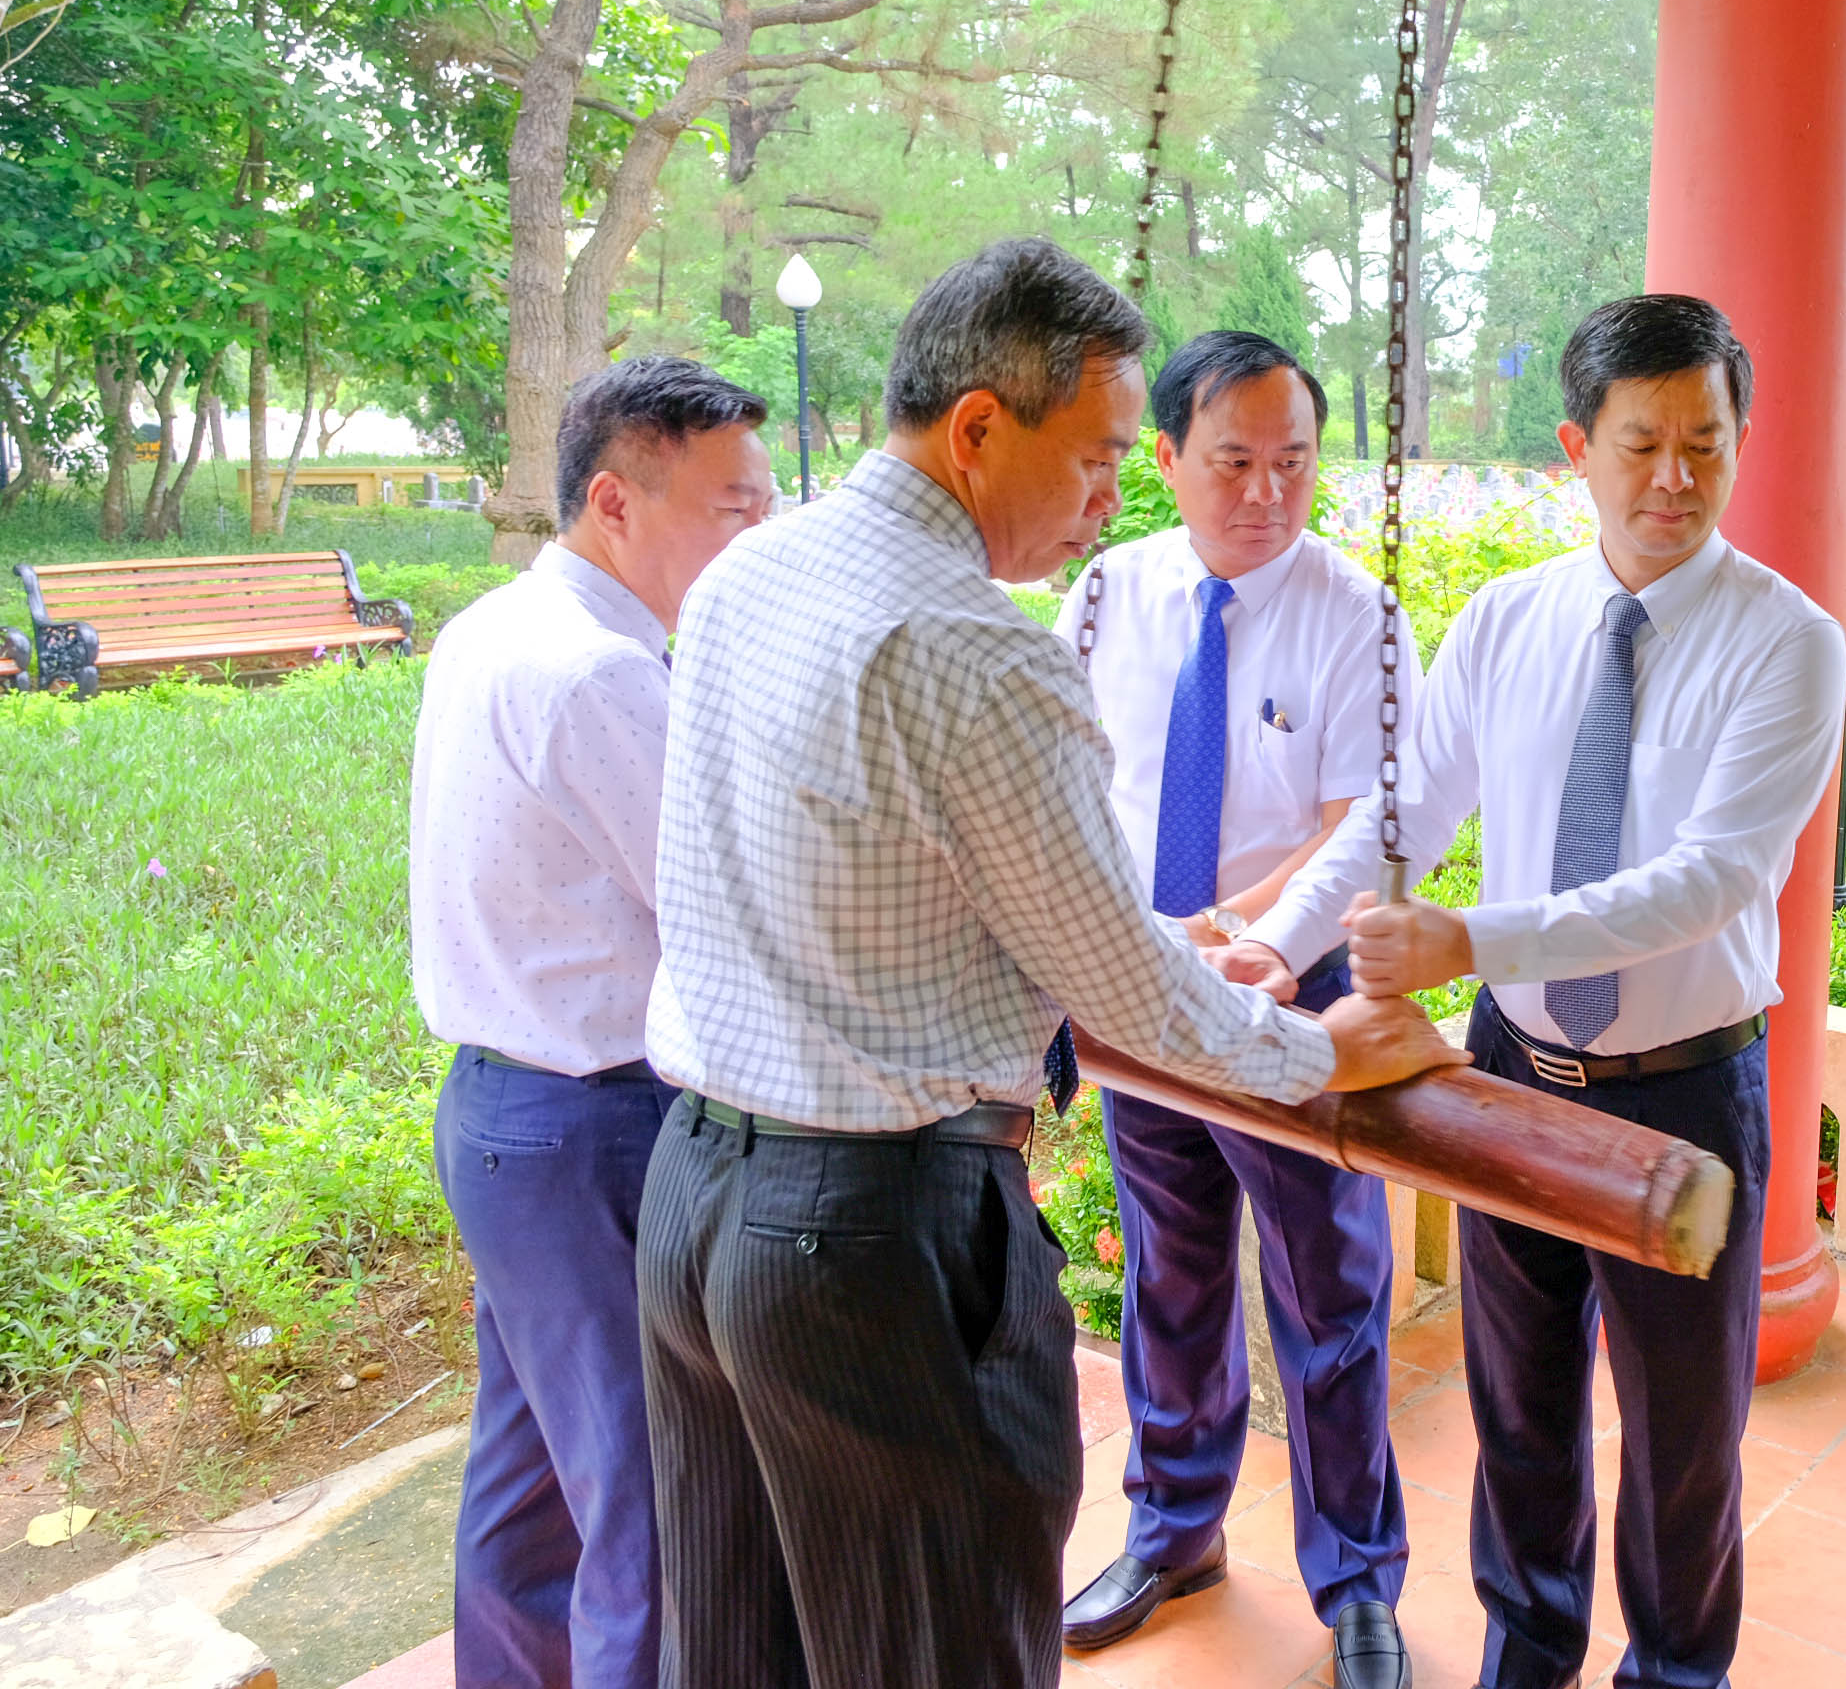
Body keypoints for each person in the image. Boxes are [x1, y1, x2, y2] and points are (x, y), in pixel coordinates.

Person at [633, 237, 1463, 1689]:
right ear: (974, 431)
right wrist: (1328, 1052)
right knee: (937, 1642)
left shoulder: (748, 574)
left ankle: (1351, 1576)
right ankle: (1176, 1522)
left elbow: (943, 874)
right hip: (867, 1233)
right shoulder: (979, 644)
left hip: (698, 1194)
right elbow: (1122, 989)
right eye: (1093, 456)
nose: (1107, 494)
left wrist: (1223, 949)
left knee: (742, 1639)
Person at [1215, 294, 1846, 1689]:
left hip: (1684, 1088)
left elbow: (1715, 877)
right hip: (1506, 1067)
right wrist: (1283, 938)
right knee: (1521, 1403)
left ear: (1740, 443)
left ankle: (1676, 1671)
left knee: (1684, 1433)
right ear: (1579, 446)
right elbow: (1403, 809)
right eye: (1642, 444)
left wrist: (1469, 943)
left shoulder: (1786, 643)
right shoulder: (1507, 622)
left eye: (1706, 441)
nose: (1675, 477)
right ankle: (1531, 1644)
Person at [1051, 331, 1410, 1689]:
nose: (1267, 490)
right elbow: (1066, 787)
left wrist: (1250, 938)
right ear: (1167, 459)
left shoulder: (1357, 615)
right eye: (1234, 461)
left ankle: (1359, 1584)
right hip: (1142, 992)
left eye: (1294, 461)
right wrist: (1152, 940)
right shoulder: (1103, 594)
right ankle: (1173, 1528)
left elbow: (1364, 826)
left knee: (1330, 1296)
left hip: (1288, 1000)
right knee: (1172, 1273)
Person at [410, 357, 774, 1689]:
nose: (758, 536)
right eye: (732, 507)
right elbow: (732, 906)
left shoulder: (494, 628)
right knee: (653, 1515)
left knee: (531, 1491)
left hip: (503, 1118)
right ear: (617, 502)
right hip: (597, 1124)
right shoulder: (598, 678)